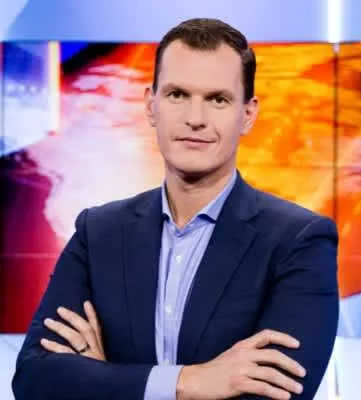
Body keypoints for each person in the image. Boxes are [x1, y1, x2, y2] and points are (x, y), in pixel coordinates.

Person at [12, 18, 339, 400]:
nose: (195, 119)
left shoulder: (299, 241)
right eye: (178, 94)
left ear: (248, 114)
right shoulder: (98, 232)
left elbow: (275, 395)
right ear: (151, 105)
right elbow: (35, 380)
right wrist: (192, 381)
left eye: (217, 99)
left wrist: (104, 378)